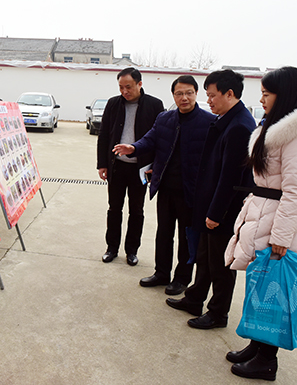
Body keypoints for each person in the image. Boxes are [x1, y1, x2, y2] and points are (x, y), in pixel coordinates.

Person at [223, 66, 297, 381]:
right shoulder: (274, 128)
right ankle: (257, 346)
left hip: (282, 221)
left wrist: (281, 236)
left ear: (283, 96)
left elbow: (296, 191)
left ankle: (267, 360)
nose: (262, 99)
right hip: (264, 212)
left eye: (266, 94)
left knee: (274, 291)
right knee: (260, 284)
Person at [166, 69, 256, 329]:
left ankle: (218, 313)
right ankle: (195, 298)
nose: (209, 101)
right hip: (210, 203)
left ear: (230, 94)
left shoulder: (239, 127)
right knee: (205, 257)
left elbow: (230, 178)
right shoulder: (227, 119)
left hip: (224, 210)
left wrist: (216, 213)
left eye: (212, 95)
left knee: (220, 264)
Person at [113, 75, 214, 294]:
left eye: (188, 93)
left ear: (196, 94)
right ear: (173, 96)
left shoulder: (209, 122)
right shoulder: (164, 118)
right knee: (164, 233)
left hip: (191, 191)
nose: (184, 98)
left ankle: (182, 278)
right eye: (179, 94)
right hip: (166, 187)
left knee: (186, 237)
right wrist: (133, 148)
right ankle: (161, 273)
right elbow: (149, 139)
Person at [97, 67, 165, 266]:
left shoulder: (154, 105)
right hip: (116, 167)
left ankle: (132, 250)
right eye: (121, 87)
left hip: (140, 169)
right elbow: (104, 135)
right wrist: (102, 164)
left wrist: (155, 166)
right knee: (114, 209)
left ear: (139, 84)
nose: (124, 91)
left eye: (128, 87)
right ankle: (111, 248)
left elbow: (160, 139)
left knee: (136, 211)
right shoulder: (113, 104)